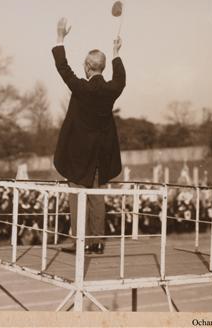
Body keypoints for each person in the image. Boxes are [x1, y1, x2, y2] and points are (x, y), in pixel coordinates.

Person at [52, 17, 126, 254]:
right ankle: (97, 243)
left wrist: (60, 37)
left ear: (86, 66)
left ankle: (80, 242)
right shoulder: (111, 89)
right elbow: (120, 79)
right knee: (97, 197)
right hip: (101, 153)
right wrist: (116, 53)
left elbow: (63, 68)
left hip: (78, 154)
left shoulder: (81, 88)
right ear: (102, 67)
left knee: (77, 196)